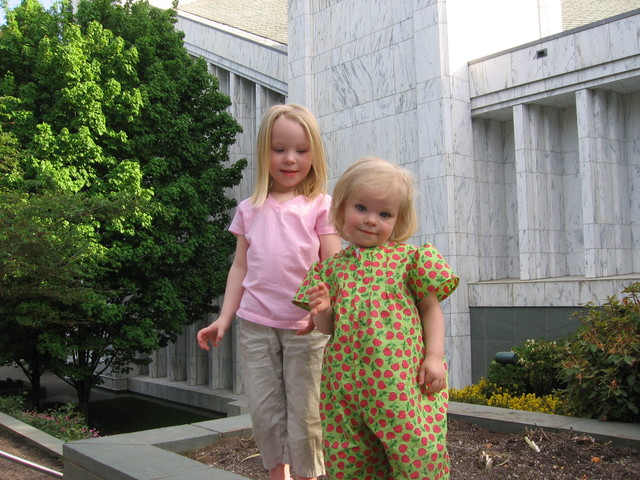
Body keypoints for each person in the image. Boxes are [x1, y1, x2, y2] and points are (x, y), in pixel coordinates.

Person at [197, 104, 341, 480]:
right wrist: (224, 317)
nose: (290, 159)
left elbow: (335, 267)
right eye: (279, 149)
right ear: (264, 152)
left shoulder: (321, 207)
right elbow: (240, 268)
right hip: (256, 325)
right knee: (264, 410)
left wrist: (323, 313)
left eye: (301, 150)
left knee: (307, 412)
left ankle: (308, 476)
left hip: (305, 329)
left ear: (315, 155)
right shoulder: (249, 209)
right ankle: (279, 476)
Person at [293, 157, 459, 480]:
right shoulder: (331, 270)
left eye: (384, 214)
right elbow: (329, 329)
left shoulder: (410, 260)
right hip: (344, 389)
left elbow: (430, 308)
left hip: (399, 385)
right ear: (341, 209)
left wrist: (435, 356)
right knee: (351, 457)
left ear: (397, 221)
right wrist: (324, 309)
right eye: (361, 208)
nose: (371, 220)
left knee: (416, 451)